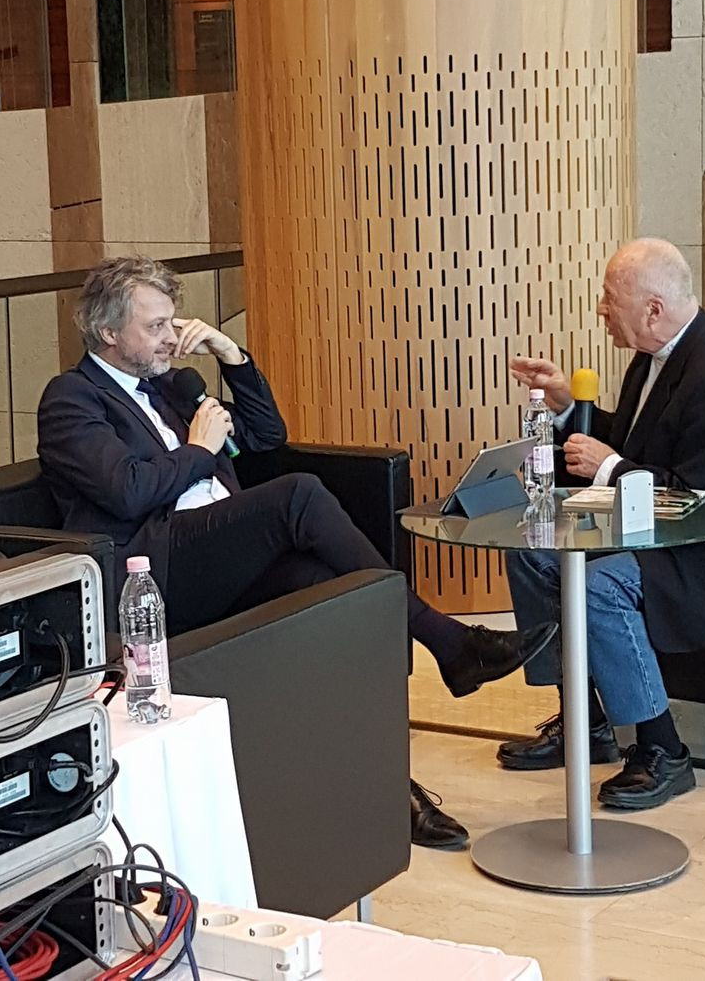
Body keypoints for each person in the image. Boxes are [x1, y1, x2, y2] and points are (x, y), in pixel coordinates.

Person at [37, 256, 556, 849]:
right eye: (155, 326)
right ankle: (449, 641)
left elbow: (266, 436)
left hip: (214, 559)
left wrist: (232, 356)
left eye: (171, 323)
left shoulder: (171, 389)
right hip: (153, 574)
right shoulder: (72, 399)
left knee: (325, 590)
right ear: (108, 332)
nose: (169, 337)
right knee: (298, 495)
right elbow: (127, 491)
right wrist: (200, 450)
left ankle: (387, 788)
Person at [500, 238, 705, 810]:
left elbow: (699, 499)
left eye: (609, 297)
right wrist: (564, 406)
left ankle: (663, 750)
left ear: (653, 309)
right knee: (532, 550)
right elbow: (631, 442)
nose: (601, 309)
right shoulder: (656, 355)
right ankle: (585, 721)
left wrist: (610, 467)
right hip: (648, 527)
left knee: (600, 586)